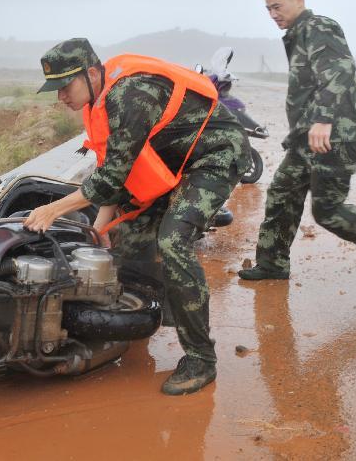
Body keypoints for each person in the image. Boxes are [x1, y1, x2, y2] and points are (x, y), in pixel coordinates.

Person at [23, 38, 250, 395]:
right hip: (173, 162)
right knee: (123, 239)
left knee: (173, 241)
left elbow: (111, 178)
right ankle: (136, 321)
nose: (61, 96)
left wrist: (52, 210)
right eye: (56, 89)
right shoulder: (96, 103)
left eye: (65, 86)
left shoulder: (129, 95)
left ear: (92, 72)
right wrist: (100, 230)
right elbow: (112, 172)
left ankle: (201, 358)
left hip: (215, 157)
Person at [239, 0, 356, 281]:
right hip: (306, 139)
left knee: (327, 211)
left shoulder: (318, 27)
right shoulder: (298, 34)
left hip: (334, 136)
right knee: (282, 195)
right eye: (268, 9)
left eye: (277, 6)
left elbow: (340, 70)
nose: (273, 14)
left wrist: (323, 120)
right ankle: (273, 264)